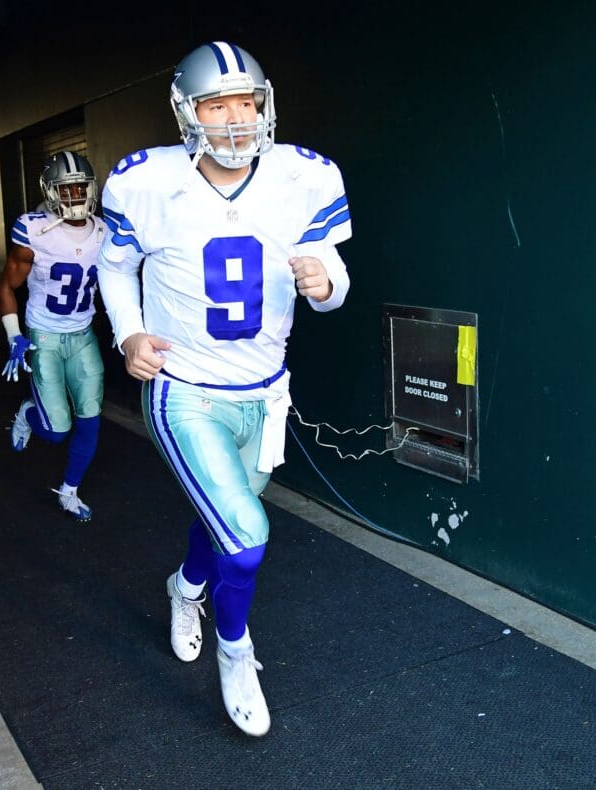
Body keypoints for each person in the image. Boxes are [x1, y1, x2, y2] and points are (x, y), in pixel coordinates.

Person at [97, 41, 352, 737]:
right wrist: (128, 334)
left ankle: (185, 589)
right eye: (217, 105)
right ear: (188, 113)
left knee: (226, 514)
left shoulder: (303, 177)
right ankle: (234, 650)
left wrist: (326, 286)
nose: (236, 120)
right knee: (245, 535)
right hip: (186, 392)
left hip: (266, 395)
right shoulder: (147, 182)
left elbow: (329, 271)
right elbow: (115, 267)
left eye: (247, 103)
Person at [0, 151, 104, 521]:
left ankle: (69, 491)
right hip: (45, 336)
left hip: (84, 335)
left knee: (91, 418)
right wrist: (14, 335)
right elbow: (7, 285)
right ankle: (28, 413)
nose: (75, 196)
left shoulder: (104, 232)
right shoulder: (33, 229)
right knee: (57, 431)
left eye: (81, 188)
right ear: (50, 192)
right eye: (67, 189)